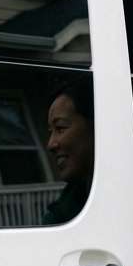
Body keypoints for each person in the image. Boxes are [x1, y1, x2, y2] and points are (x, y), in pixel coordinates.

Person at [42, 80, 94, 225]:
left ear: (95, 127)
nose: (50, 144)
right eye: (50, 132)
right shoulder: (65, 209)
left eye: (60, 128)